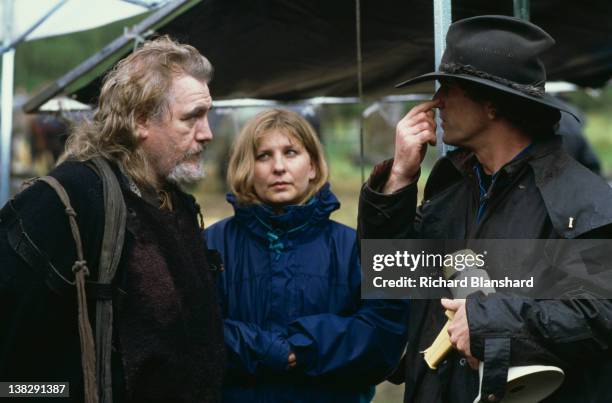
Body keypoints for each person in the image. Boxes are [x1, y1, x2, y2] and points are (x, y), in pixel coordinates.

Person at [358, 15, 612, 403]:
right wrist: (397, 182)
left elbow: (599, 317)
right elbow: (392, 275)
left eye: (449, 87)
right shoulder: (450, 183)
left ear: (492, 104)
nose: (436, 100)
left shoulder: (580, 198)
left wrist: (487, 322)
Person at [0, 36, 225, 402]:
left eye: (207, 114)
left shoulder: (177, 202)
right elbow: (13, 376)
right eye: (191, 117)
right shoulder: (63, 201)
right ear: (140, 121)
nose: (207, 133)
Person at [204, 109, 410, 403]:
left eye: (291, 152)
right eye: (263, 156)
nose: (278, 167)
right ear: (246, 167)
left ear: (312, 165)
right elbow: (196, 329)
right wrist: (271, 350)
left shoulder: (353, 245)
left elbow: (383, 336)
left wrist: (303, 348)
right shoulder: (212, 244)